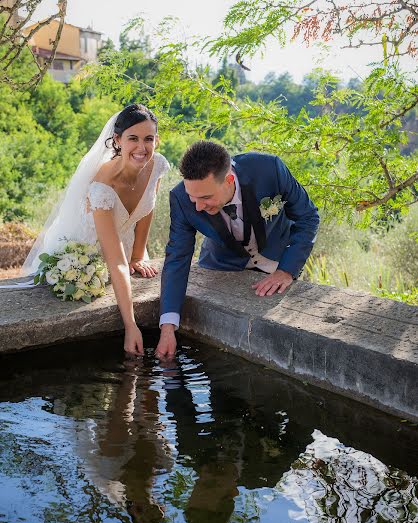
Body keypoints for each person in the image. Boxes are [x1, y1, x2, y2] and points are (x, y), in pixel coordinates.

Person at [21, 104, 170, 356]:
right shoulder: (102, 186)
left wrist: (137, 254)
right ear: (117, 140)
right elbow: (116, 264)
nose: (141, 148)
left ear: (157, 139)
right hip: (85, 251)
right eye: (132, 138)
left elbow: (148, 209)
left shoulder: (156, 165)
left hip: (122, 244)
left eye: (148, 139)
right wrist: (131, 325)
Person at [156, 141, 319, 358]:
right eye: (192, 197)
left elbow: (308, 217)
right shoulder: (180, 198)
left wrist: (287, 270)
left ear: (229, 180)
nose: (197, 206)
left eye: (205, 197)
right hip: (222, 265)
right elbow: (177, 257)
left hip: (276, 261)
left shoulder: (269, 169)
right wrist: (167, 327)